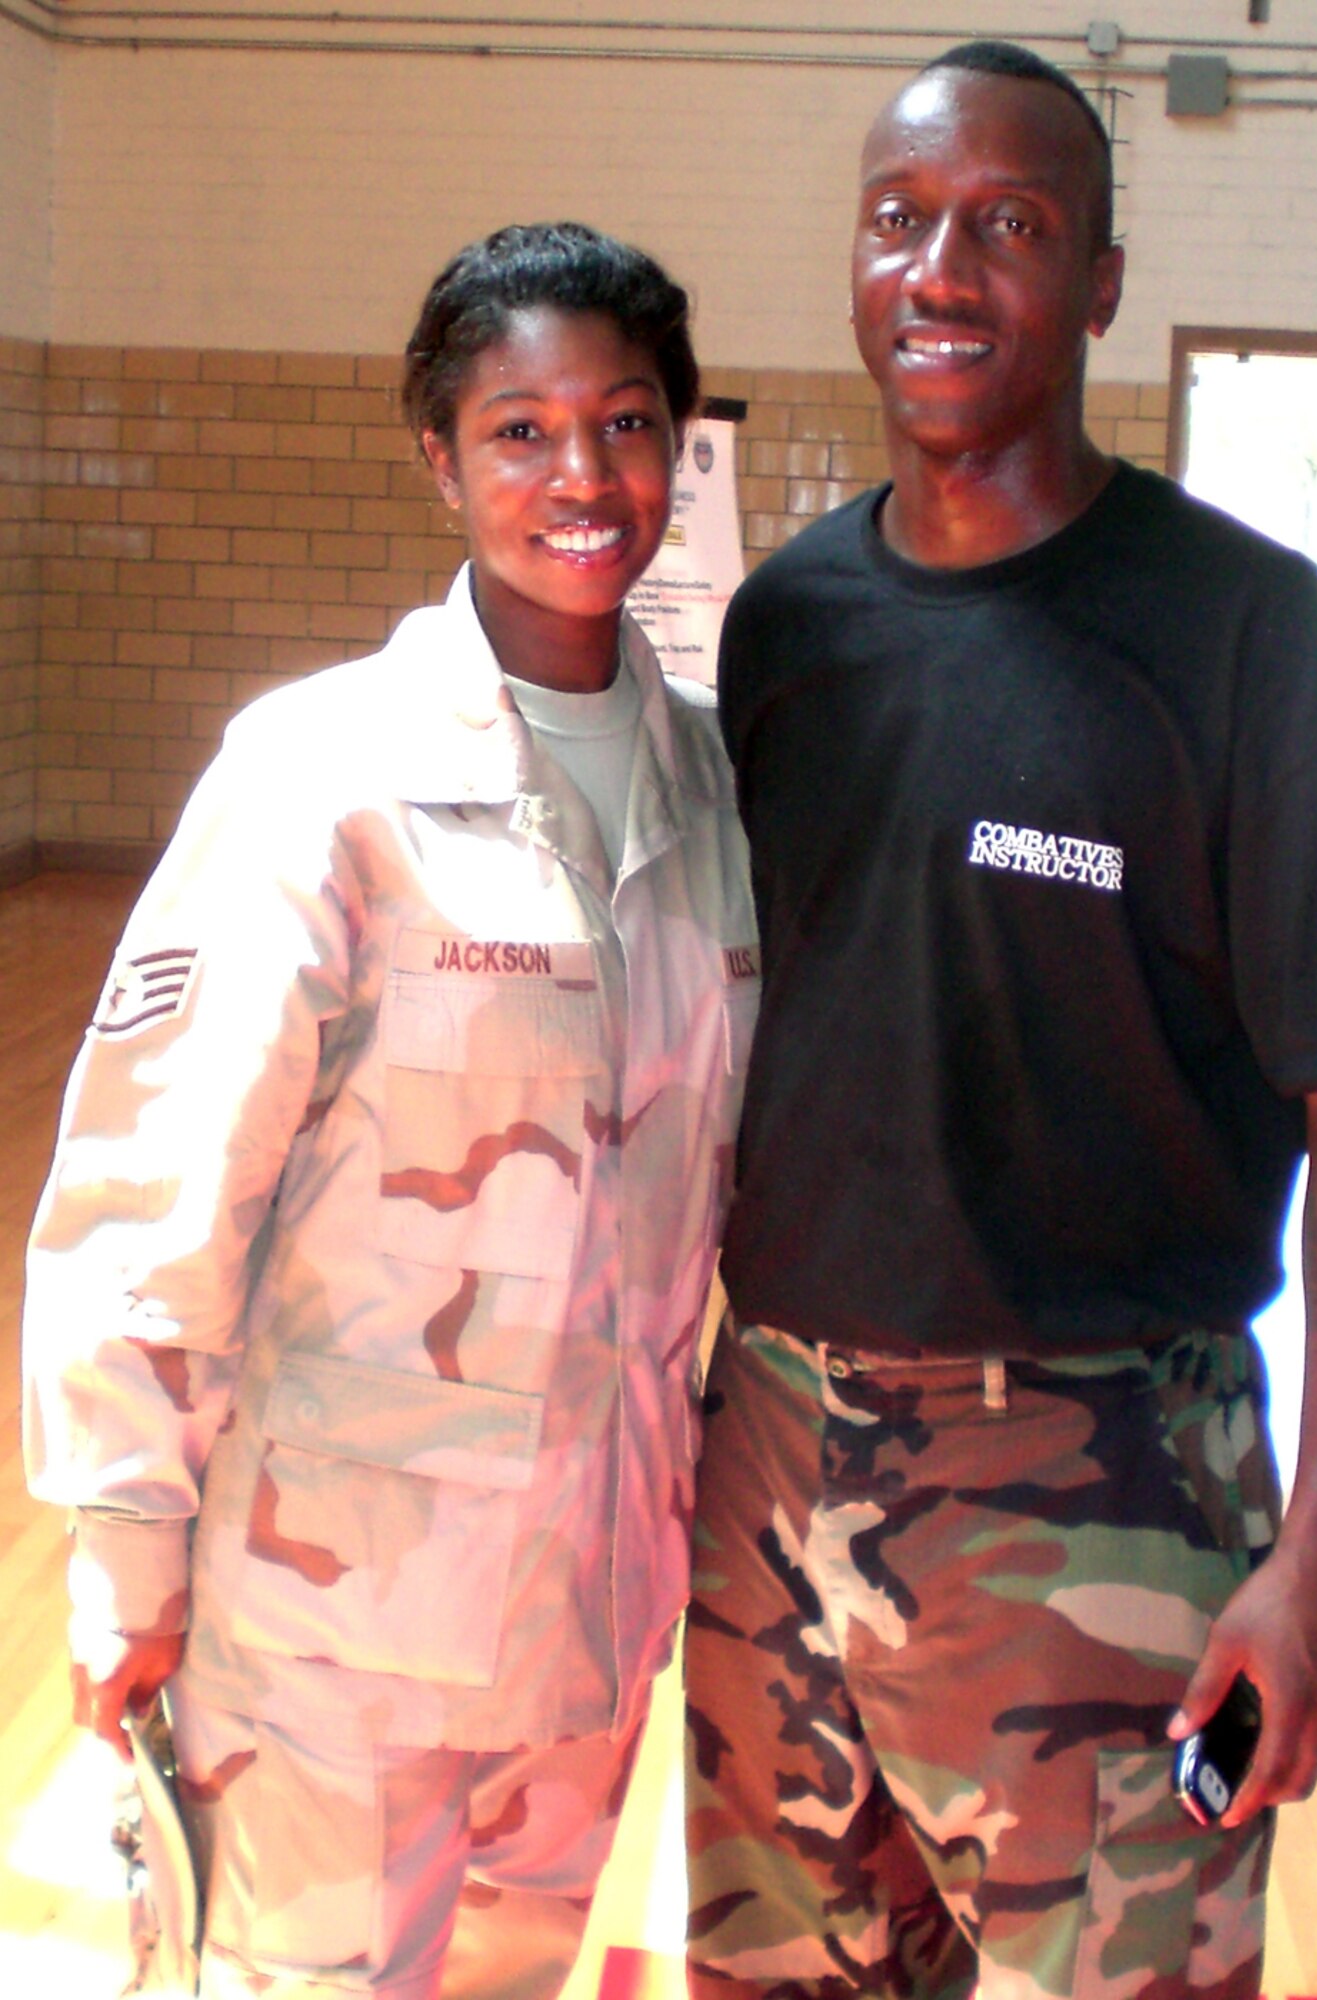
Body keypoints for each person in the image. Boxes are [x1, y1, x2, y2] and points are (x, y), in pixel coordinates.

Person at [683, 41, 1317, 2000]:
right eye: (898, 221)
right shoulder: (787, 626)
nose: (939, 270)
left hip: (1106, 1490)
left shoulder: (1247, 639)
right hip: (766, 1469)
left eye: (1007, 228)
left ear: (1098, 280)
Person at [24, 220, 759, 2000]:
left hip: (586, 1612)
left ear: (680, 442)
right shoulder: (321, 771)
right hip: (328, 1626)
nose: (581, 476)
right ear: (437, 456)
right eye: (519, 430)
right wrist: (126, 1537)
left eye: (627, 422)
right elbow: (156, 1176)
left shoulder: (726, 785)